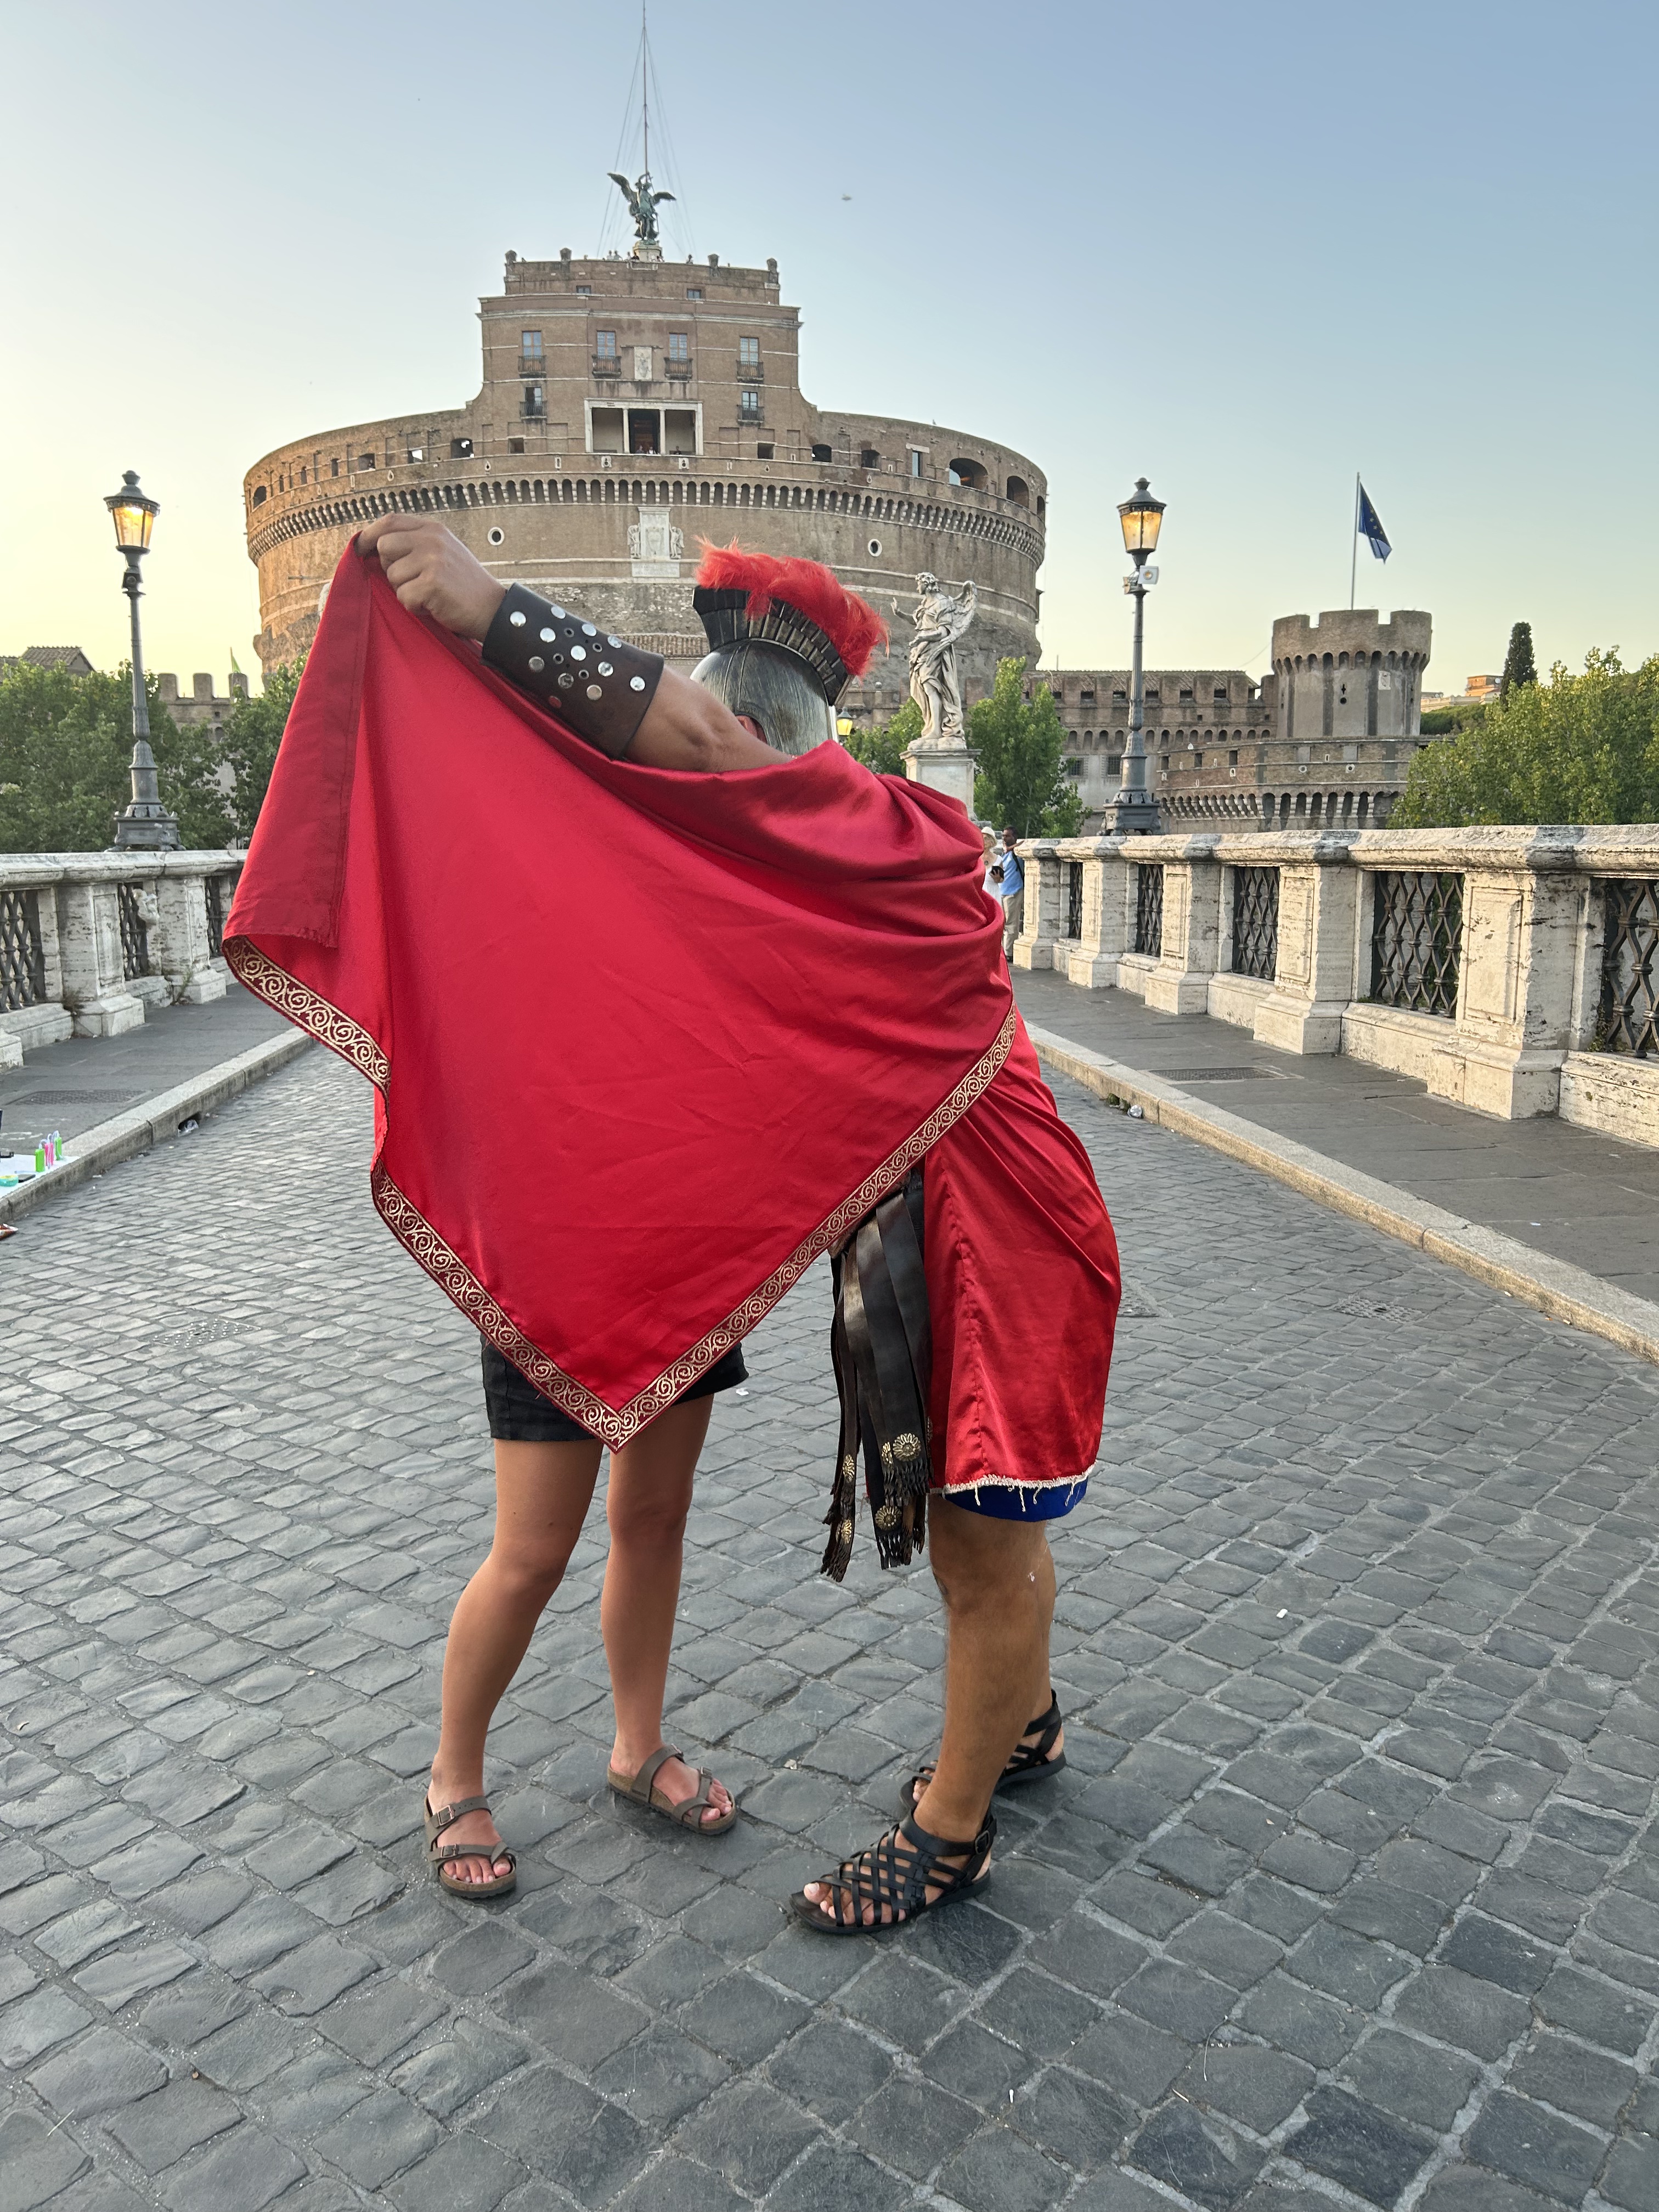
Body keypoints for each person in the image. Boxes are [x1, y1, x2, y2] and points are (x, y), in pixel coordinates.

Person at [228, 520, 1119, 1933]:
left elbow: (699, 744)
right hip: (923, 1223)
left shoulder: (876, 832)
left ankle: (951, 1836)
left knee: (983, 1552)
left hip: (994, 1236)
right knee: (978, 1543)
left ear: (777, 755)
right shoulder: (834, 874)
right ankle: (1020, 1722)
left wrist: (495, 612)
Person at [992, 826, 1025, 958]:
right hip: (1001, 892)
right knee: (1001, 924)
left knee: (1011, 924)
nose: (1004, 838)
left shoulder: (1018, 852)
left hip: (1013, 892)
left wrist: (1011, 848)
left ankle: (1009, 953)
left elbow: (1026, 843)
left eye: (1008, 836)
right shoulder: (1003, 854)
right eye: (1003, 836)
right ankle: (1001, 952)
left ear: (1014, 837)